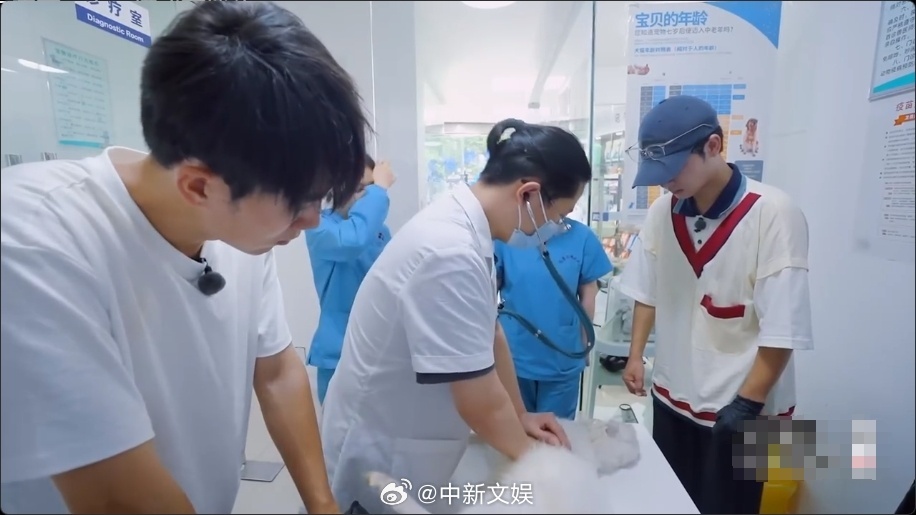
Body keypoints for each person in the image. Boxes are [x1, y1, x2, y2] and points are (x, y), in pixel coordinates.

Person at [0, 2, 369, 513]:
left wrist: (322, 506)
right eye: (300, 201)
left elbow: (277, 370)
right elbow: (116, 500)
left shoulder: (244, 230)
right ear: (198, 186)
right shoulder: (31, 239)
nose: (311, 221)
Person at [320, 118, 592, 513]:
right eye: (555, 217)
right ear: (529, 194)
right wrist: (544, 469)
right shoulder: (449, 250)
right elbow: (478, 401)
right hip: (383, 456)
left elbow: (489, 333)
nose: (554, 229)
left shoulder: (468, 229)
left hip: (405, 439)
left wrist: (520, 415)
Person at [618, 95, 813, 515]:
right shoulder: (662, 212)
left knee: (731, 507)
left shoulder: (773, 213)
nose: (666, 183)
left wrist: (747, 405)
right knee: (671, 501)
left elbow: (784, 326)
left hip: (744, 409)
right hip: (674, 394)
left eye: (673, 169)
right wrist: (635, 355)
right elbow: (647, 291)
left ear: (713, 145)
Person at [494, 217, 612, 420]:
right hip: (514, 355)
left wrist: (585, 345)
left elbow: (588, 296)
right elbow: (488, 293)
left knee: (557, 430)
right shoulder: (506, 236)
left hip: (563, 355)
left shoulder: (581, 237)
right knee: (516, 428)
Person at [306, 156, 396, 405]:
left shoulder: (379, 231)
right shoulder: (319, 226)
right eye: (358, 188)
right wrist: (380, 189)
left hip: (380, 349)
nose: (365, 196)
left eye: (369, 187)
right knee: (341, 428)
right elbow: (353, 240)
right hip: (339, 351)